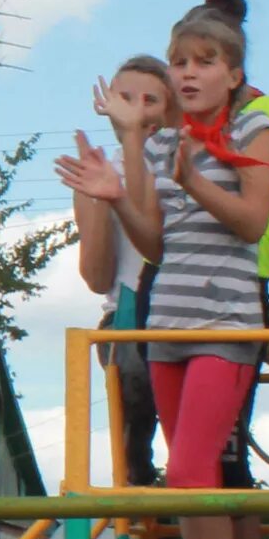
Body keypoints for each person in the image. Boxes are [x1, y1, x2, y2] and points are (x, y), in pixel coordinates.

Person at [61, 0, 269, 539]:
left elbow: (251, 221)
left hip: (226, 323)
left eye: (203, 61)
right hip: (168, 327)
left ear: (233, 73)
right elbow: (154, 243)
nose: (188, 73)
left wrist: (194, 182)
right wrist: (117, 186)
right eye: (179, 61)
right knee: (191, 473)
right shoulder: (163, 148)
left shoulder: (254, 130)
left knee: (191, 467)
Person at [68, 54, 176, 486]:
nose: (137, 109)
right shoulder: (97, 169)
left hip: (178, 312)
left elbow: (162, 245)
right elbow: (96, 278)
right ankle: (137, 473)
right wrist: (99, 197)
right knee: (126, 364)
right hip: (124, 319)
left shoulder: (178, 161)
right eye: (126, 97)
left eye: (151, 99)